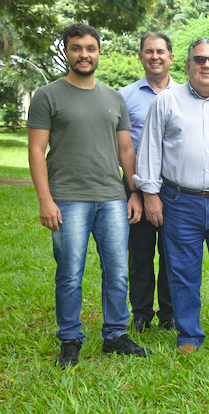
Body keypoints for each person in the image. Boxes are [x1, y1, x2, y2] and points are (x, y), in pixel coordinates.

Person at [27, 23, 151, 367]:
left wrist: (134, 192)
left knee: (118, 271)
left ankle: (115, 335)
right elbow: (36, 151)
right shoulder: (47, 95)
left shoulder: (114, 97)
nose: (85, 54)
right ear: (66, 51)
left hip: (112, 197)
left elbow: (126, 150)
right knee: (69, 272)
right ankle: (70, 338)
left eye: (91, 48)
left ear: (99, 52)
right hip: (67, 198)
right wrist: (45, 200)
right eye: (77, 48)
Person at [133, 38, 209, 356]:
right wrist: (151, 196)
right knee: (183, 272)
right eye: (200, 59)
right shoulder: (166, 102)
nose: (206, 65)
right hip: (179, 200)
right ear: (187, 65)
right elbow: (150, 151)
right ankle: (189, 336)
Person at [119, 32, 178, 333]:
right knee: (140, 253)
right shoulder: (124, 96)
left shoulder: (185, 94)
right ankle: (141, 312)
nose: (155, 56)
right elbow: (121, 147)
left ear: (171, 57)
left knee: (172, 254)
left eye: (160, 51)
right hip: (137, 188)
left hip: (176, 189)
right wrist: (134, 190)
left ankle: (169, 312)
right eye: (148, 51)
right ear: (140, 57)